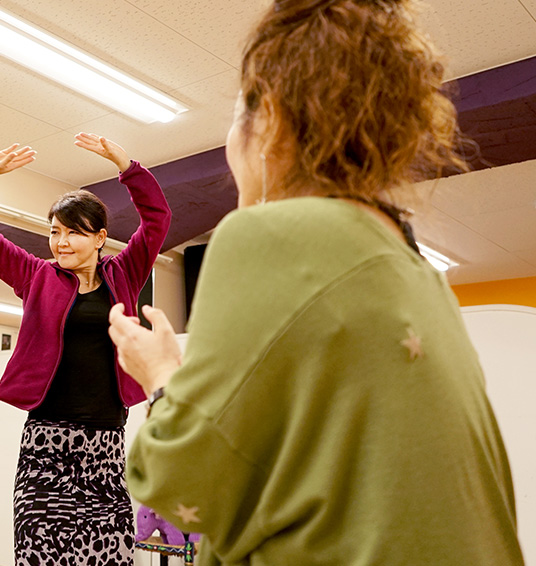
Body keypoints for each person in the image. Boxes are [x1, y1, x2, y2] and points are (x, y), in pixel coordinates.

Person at [108, 1, 525, 565]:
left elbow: (183, 489)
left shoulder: (266, 236)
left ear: (272, 119)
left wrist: (160, 374)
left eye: (235, 116)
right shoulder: (422, 275)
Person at [0, 132, 171, 565]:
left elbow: (158, 220)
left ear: (99, 238)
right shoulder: (35, 275)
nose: (61, 242)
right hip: (47, 444)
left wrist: (126, 165)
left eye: (74, 233)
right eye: (55, 232)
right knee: (39, 552)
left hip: (105, 443)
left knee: (110, 557)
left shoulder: (126, 273)